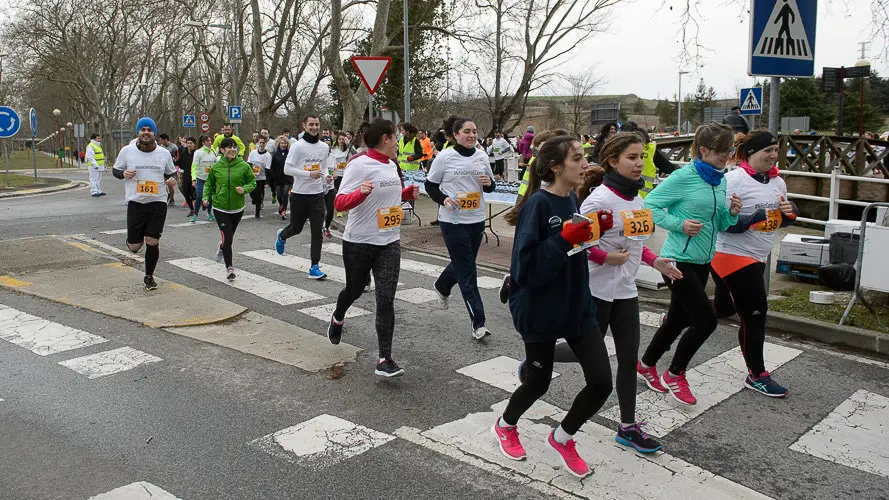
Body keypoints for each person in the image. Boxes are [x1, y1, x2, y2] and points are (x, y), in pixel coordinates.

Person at [522, 132, 684, 454]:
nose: (639, 164)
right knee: (586, 352)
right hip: (596, 290)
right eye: (632, 158)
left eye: (641, 157)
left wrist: (657, 262)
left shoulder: (637, 200)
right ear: (612, 161)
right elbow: (579, 243)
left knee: (628, 357)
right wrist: (605, 257)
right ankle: (537, 360)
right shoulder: (598, 200)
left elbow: (635, 245)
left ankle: (627, 427)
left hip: (626, 290)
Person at [494, 134, 613, 479]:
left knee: (601, 382)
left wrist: (592, 232)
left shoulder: (572, 199)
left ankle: (562, 437)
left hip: (577, 305)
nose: (585, 164)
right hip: (540, 309)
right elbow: (526, 270)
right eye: (577, 158)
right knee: (538, 383)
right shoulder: (538, 206)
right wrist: (564, 239)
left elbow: (572, 250)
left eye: (584, 156)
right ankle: (505, 425)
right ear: (555, 167)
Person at [638, 122, 742, 405]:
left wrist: (732, 213)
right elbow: (649, 206)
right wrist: (679, 224)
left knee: (678, 319)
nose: (728, 157)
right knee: (706, 321)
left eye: (730, 151)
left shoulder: (719, 180)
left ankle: (645, 365)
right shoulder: (684, 177)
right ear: (704, 150)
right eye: (722, 151)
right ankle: (675, 373)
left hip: (702, 260)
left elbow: (719, 223)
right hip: (677, 260)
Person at [328, 118, 420, 377]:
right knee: (355, 289)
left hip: (389, 242)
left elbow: (389, 196)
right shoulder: (359, 164)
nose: (398, 142)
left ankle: (384, 359)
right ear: (385, 139)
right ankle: (338, 316)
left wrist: (405, 194)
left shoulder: (392, 165)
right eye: (395, 137)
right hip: (359, 241)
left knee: (386, 299)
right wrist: (360, 193)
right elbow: (339, 203)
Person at [712, 129, 796, 397]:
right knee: (755, 312)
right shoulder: (733, 180)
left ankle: (682, 314)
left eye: (776, 150)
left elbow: (780, 220)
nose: (773, 155)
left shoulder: (777, 182)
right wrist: (751, 219)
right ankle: (757, 374)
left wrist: (790, 214)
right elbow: (721, 223)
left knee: (724, 307)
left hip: (758, 254)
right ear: (750, 153)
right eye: (767, 150)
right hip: (730, 253)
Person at [425, 117, 496, 341]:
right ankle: (478, 323)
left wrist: (489, 184)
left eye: (474, 131)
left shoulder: (481, 155)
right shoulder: (445, 157)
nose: (472, 135)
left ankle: (442, 284)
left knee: (464, 263)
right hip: (452, 220)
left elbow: (491, 185)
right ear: (455, 135)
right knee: (467, 271)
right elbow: (430, 185)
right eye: (467, 131)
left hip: (476, 218)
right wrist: (444, 199)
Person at [112, 117, 177, 291]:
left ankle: (149, 276)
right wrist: (123, 174)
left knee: (152, 240)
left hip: (158, 202)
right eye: (143, 130)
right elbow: (115, 170)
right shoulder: (127, 151)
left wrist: (172, 180)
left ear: (154, 133)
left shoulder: (163, 153)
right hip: (136, 202)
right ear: (138, 133)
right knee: (135, 246)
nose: (146, 132)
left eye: (150, 130)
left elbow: (171, 173)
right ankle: (133, 240)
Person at [274, 115, 332, 280]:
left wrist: (327, 177)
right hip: (299, 195)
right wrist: (309, 174)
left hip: (317, 195)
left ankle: (314, 266)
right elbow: (287, 169)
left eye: (317, 124)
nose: (314, 127)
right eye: (311, 124)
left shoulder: (323, 147)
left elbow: (324, 167)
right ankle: (282, 236)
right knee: (296, 228)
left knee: (317, 232)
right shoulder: (298, 146)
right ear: (304, 125)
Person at [203, 137, 256, 280]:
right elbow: (209, 184)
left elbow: (252, 183)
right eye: (229, 147)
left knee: (229, 237)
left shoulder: (244, 166)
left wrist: (244, 189)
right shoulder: (216, 167)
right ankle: (229, 268)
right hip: (220, 207)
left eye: (234, 147)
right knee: (227, 238)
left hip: (237, 208)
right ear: (222, 150)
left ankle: (222, 247)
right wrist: (205, 197)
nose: (232, 149)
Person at [620, 121, 678, 197]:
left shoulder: (620, 149)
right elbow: (667, 167)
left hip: (624, 194)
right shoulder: (651, 149)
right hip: (645, 195)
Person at [191, 135, 218, 223]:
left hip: (210, 179)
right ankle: (195, 214)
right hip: (200, 178)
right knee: (199, 196)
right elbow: (194, 166)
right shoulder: (198, 152)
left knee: (209, 197)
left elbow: (216, 164)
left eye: (210, 141)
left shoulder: (213, 151)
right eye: (208, 141)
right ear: (203, 143)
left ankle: (209, 213)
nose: (210, 142)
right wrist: (193, 179)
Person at [330, 132, 354, 220]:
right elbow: (331, 160)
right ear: (337, 140)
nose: (341, 141)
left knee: (344, 190)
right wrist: (333, 172)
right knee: (337, 190)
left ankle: (343, 208)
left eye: (343, 139)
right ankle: (338, 208)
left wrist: (348, 145)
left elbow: (354, 155)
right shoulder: (334, 149)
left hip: (346, 173)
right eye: (339, 139)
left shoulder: (348, 149)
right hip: (337, 173)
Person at [247, 137, 272, 218]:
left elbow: (268, 169)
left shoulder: (268, 156)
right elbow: (249, 164)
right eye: (260, 143)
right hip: (253, 177)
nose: (261, 144)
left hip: (262, 178)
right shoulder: (253, 153)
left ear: (265, 144)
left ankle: (257, 213)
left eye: (263, 143)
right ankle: (255, 199)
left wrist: (267, 182)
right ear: (257, 143)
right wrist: (249, 174)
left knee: (258, 194)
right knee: (252, 193)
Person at [270, 135, 294, 219]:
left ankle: (283, 211)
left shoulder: (290, 153)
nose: (283, 145)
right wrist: (272, 178)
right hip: (278, 179)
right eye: (282, 143)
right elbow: (272, 167)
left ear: (287, 144)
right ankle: (281, 205)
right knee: (279, 195)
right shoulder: (275, 154)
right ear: (279, 144)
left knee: (285, 194)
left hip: (288, 178)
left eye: (285, 143)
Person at [157, 133, 179, 205]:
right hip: (162, 169)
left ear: (165, 139)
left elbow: (177, 157)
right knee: (161, 184)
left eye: (161, 140)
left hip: (170, 169)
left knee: (170, 185)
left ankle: (172, 198)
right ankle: (167, 194)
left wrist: (174, 161)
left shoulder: (174, 147)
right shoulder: (161, 147)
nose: (160, 142)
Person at [178, 136, 197, 218]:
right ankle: (192, 209)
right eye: (188, 143)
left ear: (194, 144)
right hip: (186, 175)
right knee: (186, 193)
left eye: (191, 143)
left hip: (194, 175)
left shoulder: (196, 153)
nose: (189, 145)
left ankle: (198, 207)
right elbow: (180, 162)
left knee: (193, 194)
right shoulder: (184, 152)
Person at [85, 133, 106, 197]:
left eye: (99, 138)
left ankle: (98, 191)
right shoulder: (91, 146)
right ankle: (94, 191)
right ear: (94, 139)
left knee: (98, 179)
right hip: (93, 166)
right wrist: (95, 164)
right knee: (93, 179)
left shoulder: (97, 146)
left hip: (99, 165)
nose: (100, 139)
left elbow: (100, 156)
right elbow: (90, 157)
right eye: (98, 138)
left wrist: (103, 165)